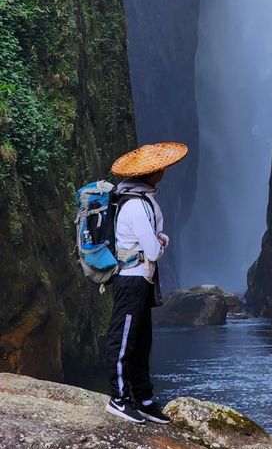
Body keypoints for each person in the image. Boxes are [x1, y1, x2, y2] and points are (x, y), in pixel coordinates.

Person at [104, 141, 188, 424]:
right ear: (152, 173)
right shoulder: (136, 205)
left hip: (143, 279)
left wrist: (158, 241)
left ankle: (144, 399)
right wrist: (164, 242)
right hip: (131, 280)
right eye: (160, 168)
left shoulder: (143, 198)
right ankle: (118, 399)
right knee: (124, 338)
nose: (163, 171)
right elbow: (153, 250)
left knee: (141, 342)